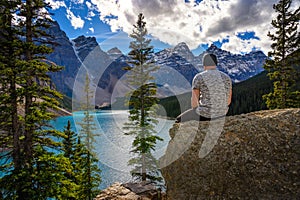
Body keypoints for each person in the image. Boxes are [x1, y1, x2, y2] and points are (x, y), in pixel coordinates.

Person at [175, 53, 232, 123]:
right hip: (222, 113)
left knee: (178, 120)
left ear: (204, 64)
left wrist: (196, 111)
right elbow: (228, 101)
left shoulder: (199, 77)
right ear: (216, 64)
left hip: (205, 114)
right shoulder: (227, 77)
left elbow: (194, 101)